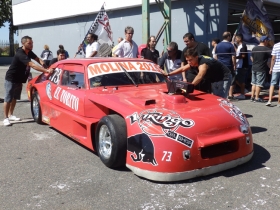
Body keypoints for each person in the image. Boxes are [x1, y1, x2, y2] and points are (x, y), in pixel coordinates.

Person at [3, 36, 53, 126]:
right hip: (11, 78)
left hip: (19, 79)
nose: (31, 45)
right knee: (8, 99)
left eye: (32, 43)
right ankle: (6, 118)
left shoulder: (29, 52)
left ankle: (10, 115)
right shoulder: (20, 54)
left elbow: (38, 59)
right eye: (29, 43)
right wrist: (46, 71)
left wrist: (45, 65)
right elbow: (32, 65)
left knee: (15, 98)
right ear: (23, 43)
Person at [162, 48, 231, 99]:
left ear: (196, 57)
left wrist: (189, 88)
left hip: (224, 77)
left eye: (190, 60)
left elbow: (200, 75)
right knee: (216, 97)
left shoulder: (203, 64)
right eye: (187, 60)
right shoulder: (193, 61)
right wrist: (168, 74)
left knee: (221, 99)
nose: (189, 62)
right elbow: (182, 68)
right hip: (214, 78)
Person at [214, 31, 237, 101]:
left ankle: (220, 95)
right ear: (228, 37)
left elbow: (216, 56)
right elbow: (233, 57)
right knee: (228, 81)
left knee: (220, 80)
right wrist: (234, 65)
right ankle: (225, 96)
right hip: (228, 65)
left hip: (220, 65)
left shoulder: (218, 45)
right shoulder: (230, 45)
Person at [250, 36, 271, 102]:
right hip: (261, 68)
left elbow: (252, 58)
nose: (268, 42)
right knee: (259, 84)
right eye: (267, 40)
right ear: (265, 41)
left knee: (253, 83)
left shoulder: (254, 48)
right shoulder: (266, 49)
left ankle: (252, 96)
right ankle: (257, 97)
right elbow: (273, 57)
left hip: (254, 67)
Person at [234, 34, 249, 99]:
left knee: (241, 80)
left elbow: (243, 55)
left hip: (242, 66)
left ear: (240, 39)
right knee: (236, 79)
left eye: (236, 38)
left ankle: (242, 93)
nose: (235, 40)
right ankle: (243, 89)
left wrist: (235, 57)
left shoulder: (243, 45)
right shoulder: (239, 46)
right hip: (238, 65)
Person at [266, 41, 280, 107]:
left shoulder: (276, 45)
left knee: (272, 84)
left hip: (276, 68)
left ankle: (269, 100)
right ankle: (279, 102)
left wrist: (271, 68)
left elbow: (273, 58)